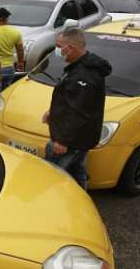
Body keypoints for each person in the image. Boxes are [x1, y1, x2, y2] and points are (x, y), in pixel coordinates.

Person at [42, 27, 111, 188]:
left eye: (59, 46)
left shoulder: (83, 75)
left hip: (71, 140)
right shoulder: (80, 66)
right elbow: (73, 100)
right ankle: (81, 196)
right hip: (79, 137)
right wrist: (53, 112)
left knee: (50, 175)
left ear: (70, 47)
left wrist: (62, 140)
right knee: (75, 168)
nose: (57, 50)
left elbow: (79, 112)